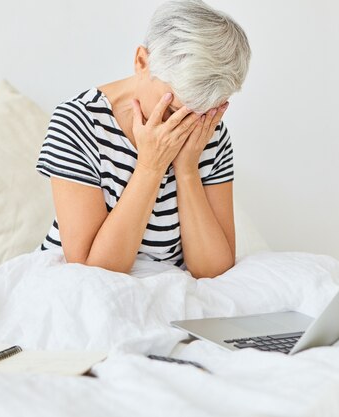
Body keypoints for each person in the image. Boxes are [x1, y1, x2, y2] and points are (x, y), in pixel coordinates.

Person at [35, 0, 251, 278]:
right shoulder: (79, 122)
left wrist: (187, 170)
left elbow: (213, 270)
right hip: (80, 288)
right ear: (142, 62)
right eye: (175, 110)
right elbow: (92, 271)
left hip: (165, 292)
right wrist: (151, 167)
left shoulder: (207, 130)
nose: (186, 125)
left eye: (202, 112)